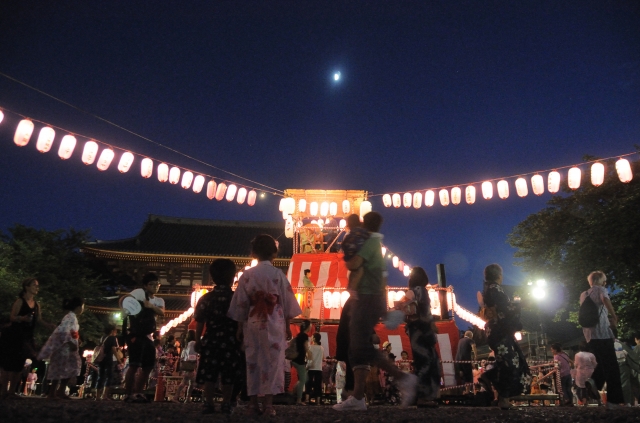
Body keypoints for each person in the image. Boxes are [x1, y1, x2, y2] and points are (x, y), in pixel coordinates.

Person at [333, 212, 418, 412]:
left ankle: (403, 378)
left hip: (366, 297)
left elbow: (354, 264)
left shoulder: (369, 243)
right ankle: (358, 396)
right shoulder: (375, 244)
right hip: (372, 296)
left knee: (360, 347)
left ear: (364, 223)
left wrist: (346, 258)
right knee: (357, 349)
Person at [227, 234, 302, 417]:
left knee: (252, 361)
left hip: (252, 320)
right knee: (273, 362)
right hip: (274, 320)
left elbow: (241, 303)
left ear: (253, 253)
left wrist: (239, 327)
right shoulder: (277, 274)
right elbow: (285, 303)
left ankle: (253, 403)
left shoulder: (247, 275)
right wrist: (286, 326)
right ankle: (268, 404)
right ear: (274, 253)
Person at [193, 259, 244, 414]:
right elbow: (241, 318)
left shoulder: (206, 298)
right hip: (230, 339)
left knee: (210, 373)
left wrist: (197, 340)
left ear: (212, 277)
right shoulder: (236, 297)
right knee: (228, 372)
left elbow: (200, 320)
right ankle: (227, 402)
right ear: (232, 277)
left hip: (211, 338)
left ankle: (208, 403)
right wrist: (240, 334)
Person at [478, 264, 531, 409]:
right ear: (499, 275)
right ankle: (492, 378)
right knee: (510, 363)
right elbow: (506, 309)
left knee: (507, 362)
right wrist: (520, 304)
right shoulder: (495, 289)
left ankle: (502, 397)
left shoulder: (488, 289)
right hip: (500, 331)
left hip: (497, 331)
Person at [0, 278, 54, 399]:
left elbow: (39, 320)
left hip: (26, 336)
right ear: (27, 287)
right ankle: (4, 391)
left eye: (37, 286)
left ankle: (12, 391)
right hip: (14, 335)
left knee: (20, 363)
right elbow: (12, 317)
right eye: (34, 285)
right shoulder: (20, 301)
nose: (37, 288)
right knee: (9, 363)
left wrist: (49, 325)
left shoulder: (36, 305)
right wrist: (22, 318)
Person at [579, 271, 624, 408]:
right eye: (604, 280)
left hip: (589, 336)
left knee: (603, 364)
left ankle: (594, 381)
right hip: (602, 334)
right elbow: (605, 300)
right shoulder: (601, 289)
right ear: (600, 280)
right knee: (612, 367)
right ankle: (613, 401)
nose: (605, 283)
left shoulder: (584, 294)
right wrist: (614, 317)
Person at [121, 272, 165, 403]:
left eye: (157, 284)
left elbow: (162, 312)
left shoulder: (158, 300)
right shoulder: (139, 293)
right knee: (134, 365)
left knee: (148, 366)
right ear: (145, 285)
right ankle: (129, 393)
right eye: (152, 284)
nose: (155, 287)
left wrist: (150, 306)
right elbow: (125, 300)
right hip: (136, 334)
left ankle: (139, 392)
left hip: (148, 335)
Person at [401, 266, 441, 404]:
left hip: (414, 332)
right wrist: (431, 324)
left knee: (421, 362)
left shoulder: (410, 292)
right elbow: (424, 310)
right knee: (429, 362)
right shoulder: (421, 291)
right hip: (423, 331)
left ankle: (421, 395)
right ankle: (426, 396)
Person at [37, 297, 84, 399]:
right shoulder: (70, 317)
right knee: (63, 367)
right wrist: (70, 342)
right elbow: (64, 330)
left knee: (67, 367)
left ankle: (59, 390)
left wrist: (76, 339)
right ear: (79, 307)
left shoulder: (71, 317)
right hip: (65, 346)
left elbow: (70, 331)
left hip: (67, 345)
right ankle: (54, 392)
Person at [341, 214, 370, 294]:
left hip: (355, 264)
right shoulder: (366, 233)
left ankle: (352, 291)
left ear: (349, 224)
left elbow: (344, 246)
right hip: (367, 266)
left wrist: (347, 258)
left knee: (354, 293)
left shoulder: (350, 236)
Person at [96, 324, 123, 400]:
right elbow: (114, 349)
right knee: (109, 376)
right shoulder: (112, 338)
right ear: (112, 331)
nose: (116, 332)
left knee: (100, 376)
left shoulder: (102, 337)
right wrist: (118, 359)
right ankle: (104, 395)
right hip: (108, 358)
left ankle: (97, 396)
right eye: (115, 330)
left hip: (101, 359)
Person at [173, 330, 197, 403]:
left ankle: (177, 397)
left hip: (185, 365)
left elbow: (184, 355)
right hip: (190, 364)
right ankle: (187, 398)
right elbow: (191, 355)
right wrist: (195, 359)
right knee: (191, 382)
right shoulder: (193, 343)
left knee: (185, 382)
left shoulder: (186, 344)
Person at [292, 320, 312, 405]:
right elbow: (306, 347)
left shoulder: (298, 335)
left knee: (303, 379)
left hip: (295, 359)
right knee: (303, 380)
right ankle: (298, 399)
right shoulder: (305, 336)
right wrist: (310, 355)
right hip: (300, 360)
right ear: (307, 327)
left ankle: (294, 392)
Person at [306, 332, 324, 404]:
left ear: (314, 339)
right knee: (318, 384)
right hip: (319, 368)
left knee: (308, 384)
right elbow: (323, 358)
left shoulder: (310, 347)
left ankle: (307, 399)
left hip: (310, 368)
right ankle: (318, 401)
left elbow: (308, 357)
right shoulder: (321, 348)